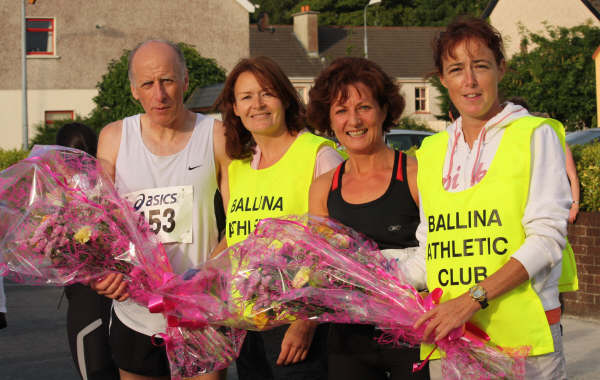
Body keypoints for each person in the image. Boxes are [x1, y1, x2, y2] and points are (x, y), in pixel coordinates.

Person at [413, 17, 571, 379]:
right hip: (453, 337)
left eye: (480, 66)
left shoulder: (534, 134)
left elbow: (547, 240)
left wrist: (469, 302)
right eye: (456, 69)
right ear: (442, 79)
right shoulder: (431, 150)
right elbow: (430, 253)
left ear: (500, 68)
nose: (469, 81)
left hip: (524, 339)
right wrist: (351, 269)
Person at [91, 40, 230, 380]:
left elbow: (240, 224)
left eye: (167, 80)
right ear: (134, 90)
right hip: (136, 314)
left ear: (185, 81)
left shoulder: (216, 135)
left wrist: (211, 273)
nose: (160, 94)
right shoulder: (113, 138)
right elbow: (95, 225)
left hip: (201, 313)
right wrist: (102, 272)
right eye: (148, 84)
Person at [215, 56, 343, 380]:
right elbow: (235, 240)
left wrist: (305, 324)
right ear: (234, 107)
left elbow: (338, 253)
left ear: (285, 98)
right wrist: (191, 283)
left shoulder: (319, 154)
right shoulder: (238, 167)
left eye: (267, 93)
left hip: (297, 329)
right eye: (246, 97)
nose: (257, 104)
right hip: (247, 325)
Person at [307, 57, 429, 380]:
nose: (354, 120)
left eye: (364, 107)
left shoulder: (416, 175)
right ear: (329, 120)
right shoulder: (323, 188)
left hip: (414, 336)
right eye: (341, 111)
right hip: (349, 340)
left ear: (384, 110)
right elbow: (320, 267)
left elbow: (435, 257)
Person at [56, 122, 119, 380]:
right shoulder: (112, 181)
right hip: (122, 291)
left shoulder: (65, 193)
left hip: (88, 296)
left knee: (96, 370)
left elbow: (56, 250)